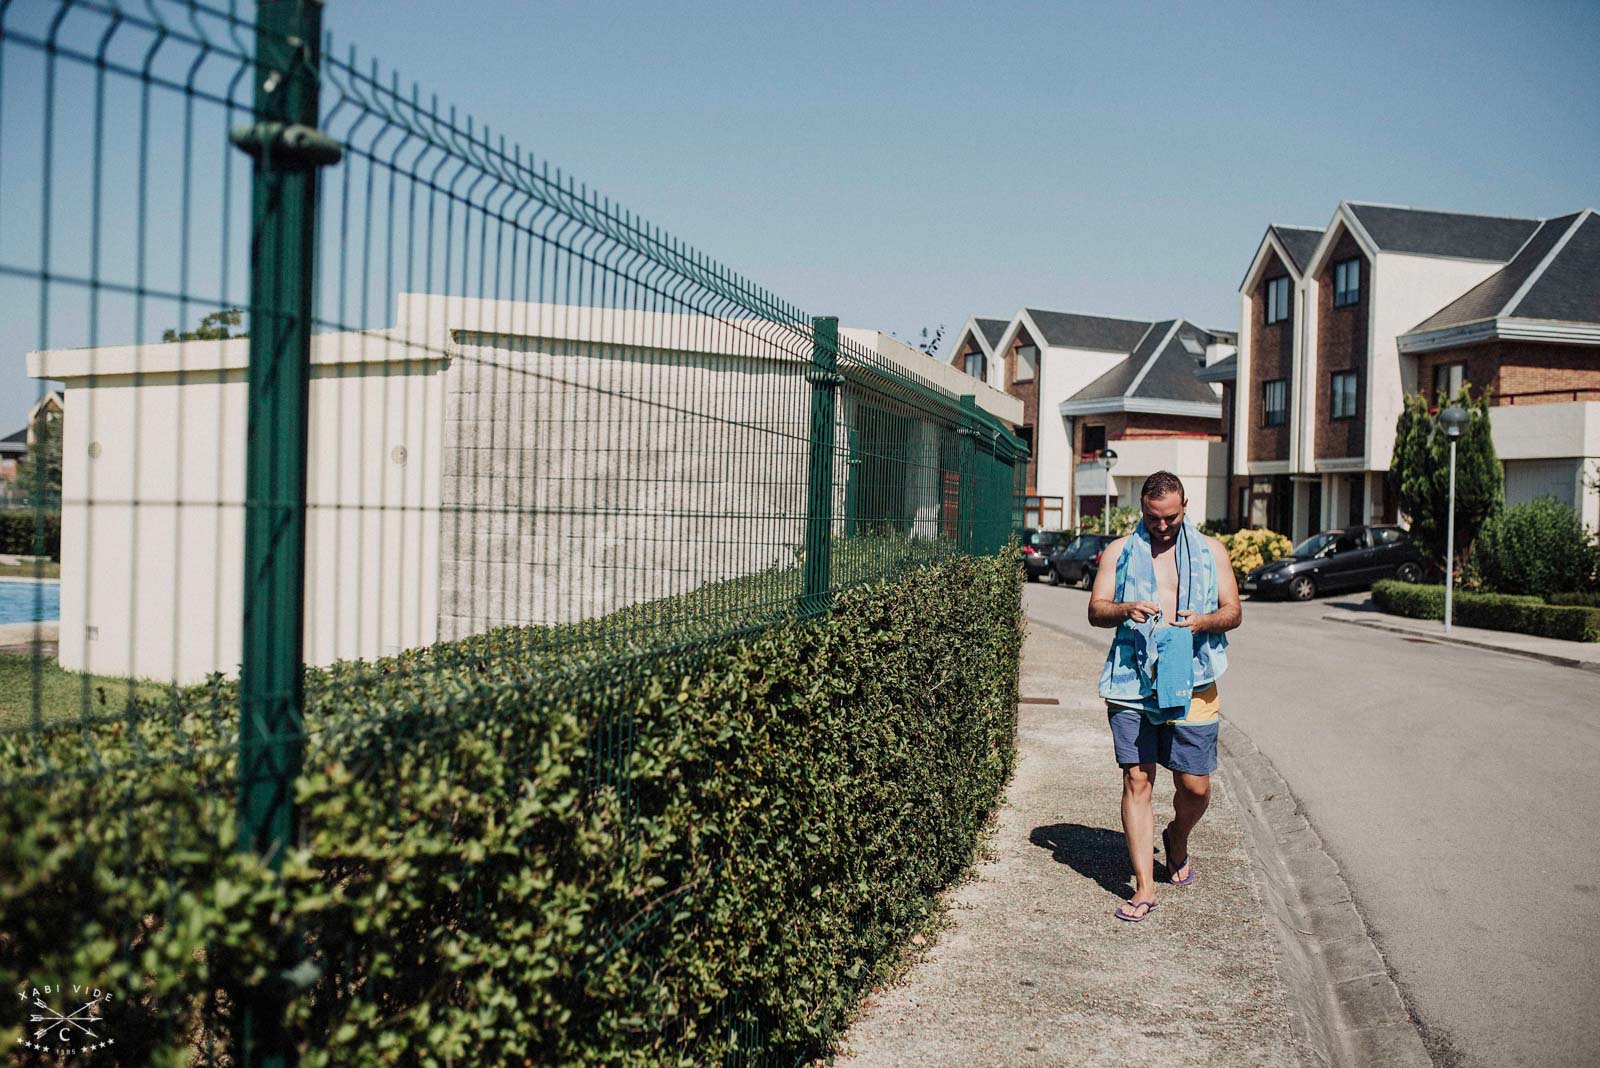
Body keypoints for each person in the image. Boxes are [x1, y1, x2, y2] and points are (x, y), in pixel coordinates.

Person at [1087, 470, 1241, 922]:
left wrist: (1203, 622)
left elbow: (1233, 612)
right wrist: (1124, 608)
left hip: (1193, 678)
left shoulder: (1213, 552)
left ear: (1185, 506)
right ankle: (1144, 886)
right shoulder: (1119, 552)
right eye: (1154, 518)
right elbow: (1096, 610)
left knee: (1194, 785)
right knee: (1137, 780)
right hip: (1132, 682)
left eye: (1170, 517)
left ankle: (1177, 837)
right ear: (1142, 511)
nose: (1162, 527)